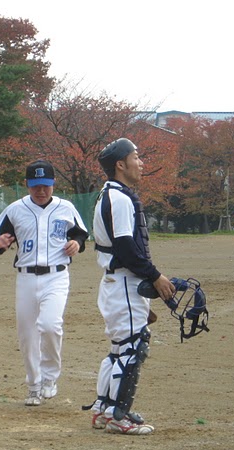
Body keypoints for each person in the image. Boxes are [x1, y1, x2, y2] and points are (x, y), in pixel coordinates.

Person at [87, 138, 175, 434]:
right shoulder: (120, 198)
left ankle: (103, 409)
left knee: (119, 348)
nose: (141, 162)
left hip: (118, 282)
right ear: (120, 165)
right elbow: (126, 248)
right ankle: (118, 416)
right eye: (136, 157)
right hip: (125, 280)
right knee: (133, 347)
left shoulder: (109, 194)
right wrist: (155, 276)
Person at [0, 160, 88, 406]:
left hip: (56, 276)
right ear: (27, 185)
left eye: (45, 186)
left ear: (53, 184)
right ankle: (34, 385)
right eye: (35, 186)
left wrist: (77, 243)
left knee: (51, 326)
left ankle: (50, 378)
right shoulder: (15, 209)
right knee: (27, 335)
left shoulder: (65, 207)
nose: (41, 191)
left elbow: (80, 233)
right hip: (26, 277)